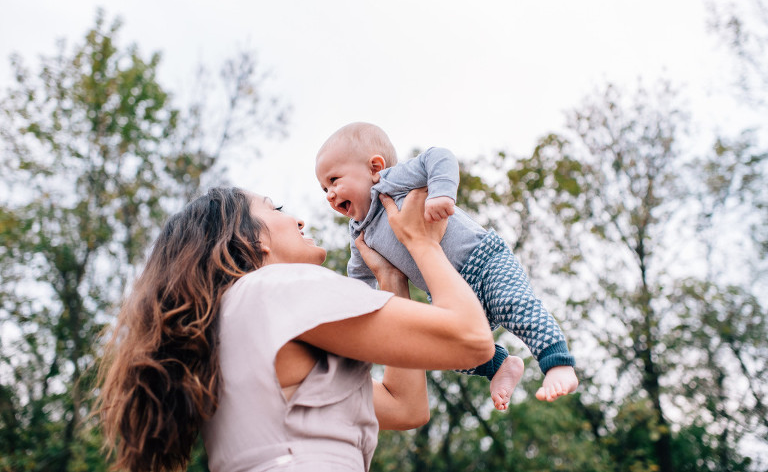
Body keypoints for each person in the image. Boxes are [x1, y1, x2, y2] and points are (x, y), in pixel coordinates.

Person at [97, 186, 494, 472]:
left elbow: (404, 406)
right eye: (276, 208)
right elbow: (471, 339)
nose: (299, 218)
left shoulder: (228, 325)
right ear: (250, 239)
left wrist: (391, 278)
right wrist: (420, 242)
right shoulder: (278, 286)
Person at [315, 122, 579, 411]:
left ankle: (557, 362)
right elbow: (359, 279)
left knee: (513, 305)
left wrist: (442, 192)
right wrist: (352, 315)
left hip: (483, 260)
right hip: (446, 293)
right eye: (324, 188)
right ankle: (500, 365)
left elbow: (439, 157)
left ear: (374, 167)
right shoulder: (359, 233)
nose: (329, 193)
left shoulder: (390, 181)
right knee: (445, 350)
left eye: (335, 180)